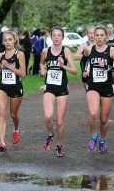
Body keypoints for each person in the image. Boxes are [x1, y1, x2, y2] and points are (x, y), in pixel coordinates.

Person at [81, 25, 114, 153]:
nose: (99, 38)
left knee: (104, 119)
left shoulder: (111, 51)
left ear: (106, 37)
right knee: (93, 113)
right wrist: (84, 71)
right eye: (97, 35)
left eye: (102, 35)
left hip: (107, 86)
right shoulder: (89, 49)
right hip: (93, 85)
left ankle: (102, 140)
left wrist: (107, 66)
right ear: (93, 36)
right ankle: (94, 137)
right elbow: (83, 61)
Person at [40, 26, 77, 157]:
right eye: (54, 35)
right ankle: (50, 135)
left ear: (62, 37)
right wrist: (42, 70)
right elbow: (41, 64)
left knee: (60, 121)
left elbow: (74, 71)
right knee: (48, 116)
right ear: (51, 37)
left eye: (59, 35)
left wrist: (62, 65)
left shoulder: (66, 51)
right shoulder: (46, 51)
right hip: (49, 87)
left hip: (62, 88)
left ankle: (59, 145)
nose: (56, 37)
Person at [0, 31, 26, 152]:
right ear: (3, 42)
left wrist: (8, 65)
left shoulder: (19, 54)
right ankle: (2, 142)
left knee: (13, 114)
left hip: (16, 87)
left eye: (10, 39)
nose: (7, 42)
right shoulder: (0, 55)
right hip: (2, 86)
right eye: (5, 40)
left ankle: (16, 129)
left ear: (14, 41)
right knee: (2, 113)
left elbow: (23, 74)